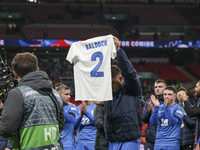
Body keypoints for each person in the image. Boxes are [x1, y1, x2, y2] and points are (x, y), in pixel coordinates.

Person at [0, 52, 64, 150]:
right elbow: (60, 126)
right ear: (37, 70)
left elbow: (6, 130)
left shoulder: (17, 93)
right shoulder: (55, 94)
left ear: (15, 74)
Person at [104, 36, 143, 150]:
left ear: (121, 79)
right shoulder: (108, 94)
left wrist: (118, 51)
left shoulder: (132, 89)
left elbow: (129, 73)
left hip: (129, 142)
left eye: (113, 83)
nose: (110, 86)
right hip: (112, 142)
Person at [141, 79, 167, 150]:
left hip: (165, 138)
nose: (157, 89)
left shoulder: (169, 102)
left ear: (165, 88)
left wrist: (156, 111)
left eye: (160, 87)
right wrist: (149, 112)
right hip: (151, 138)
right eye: (156, 87)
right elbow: (144, 120)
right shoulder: (149, 101)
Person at [55, 83, 78, 150]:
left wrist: (59, 107)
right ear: (58, 95)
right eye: (66, 94)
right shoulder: (52, 107)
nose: (69, 97)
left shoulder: (71, 106)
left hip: (68, 145)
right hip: (54, 144)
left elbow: (71, 119)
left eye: (69, 94)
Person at [180, 81, 200, 150]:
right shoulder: (199, 101)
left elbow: (192, 112)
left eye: (196, 87)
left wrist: (185, 100)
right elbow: (192, 110)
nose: (194, 89)